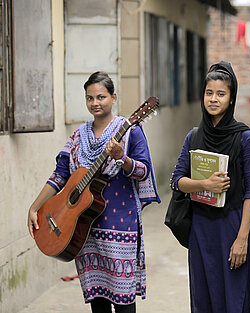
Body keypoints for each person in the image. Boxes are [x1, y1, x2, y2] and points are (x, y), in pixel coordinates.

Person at [27, 71, 160, 313]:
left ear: (114, 97)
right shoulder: (78, 136)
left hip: (120, 227)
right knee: (97, 302)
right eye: (90, 98)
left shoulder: (131, 131)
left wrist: (123, 158)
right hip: (82, 228)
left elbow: (143, 172)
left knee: (123, 302)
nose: (95, 103)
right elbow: (60, 175)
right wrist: (35, 207)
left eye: (101, 97)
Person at [171, 61, 250, 313]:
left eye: (221, 94)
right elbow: (177, 180)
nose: (213, 99)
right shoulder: (194, 136)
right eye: (209, 93)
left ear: (231, 99)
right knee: (204, 297)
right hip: (201, 227)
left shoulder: (246, 138)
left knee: (235, 295)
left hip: (232, 225)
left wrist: (242, 238)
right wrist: (204, 184)